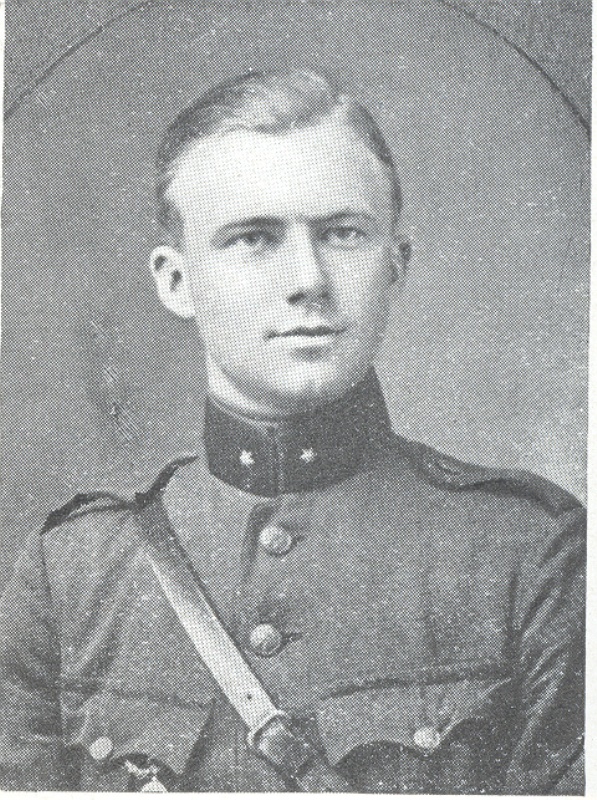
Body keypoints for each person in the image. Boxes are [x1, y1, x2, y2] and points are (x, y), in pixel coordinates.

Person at [0, 70, 585, 794]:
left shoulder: (530, 554)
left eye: (342, 234)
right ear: (176, 281)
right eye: (254, 238)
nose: (308, 278)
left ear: (395, 265)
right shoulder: (72, 573)